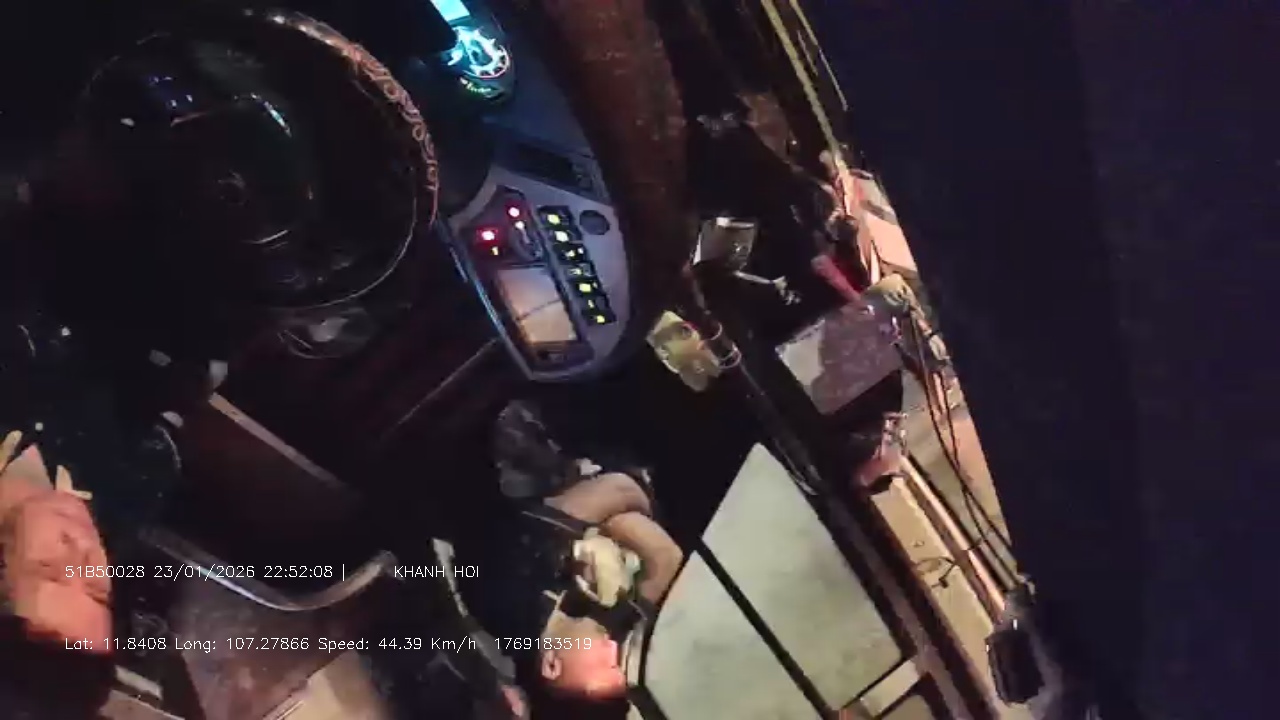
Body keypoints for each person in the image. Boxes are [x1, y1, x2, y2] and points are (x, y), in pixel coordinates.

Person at [454, 401, 685, 706]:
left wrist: (598, 522)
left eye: (605, 663)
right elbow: (666, 556)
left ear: (552, 664)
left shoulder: (506, 598)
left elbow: (621, 491)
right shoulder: (609, 615)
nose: (616, 648)